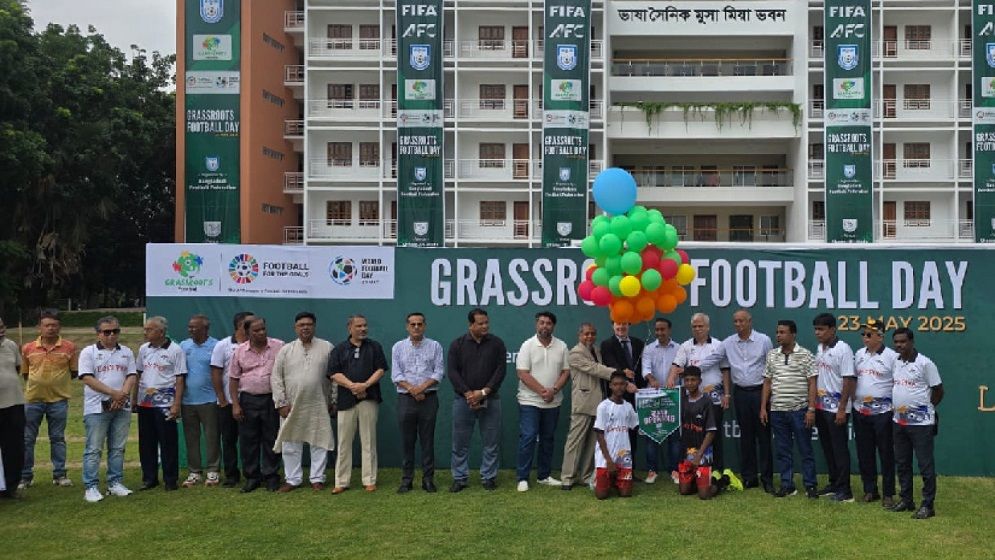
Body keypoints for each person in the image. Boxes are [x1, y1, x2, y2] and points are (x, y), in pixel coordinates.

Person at [696, 310, 774, 492]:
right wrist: (691, 371)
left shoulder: (764, 340)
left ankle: (767, 479)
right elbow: (713, 359)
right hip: (741, 394)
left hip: (760, 393)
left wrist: (770, 395)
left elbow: (772, 367)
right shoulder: (728, 342)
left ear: (750, 321)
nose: (738, 324)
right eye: (735, 321)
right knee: (746, 438)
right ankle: (749, 477)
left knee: (763, 437)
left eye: (742, 321)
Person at [272, 312, 335, 492]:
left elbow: (335, 376)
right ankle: (292, 479)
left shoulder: (327, 347)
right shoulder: (286, 350)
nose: (305, 327)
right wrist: (281, 403)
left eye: (309, 324)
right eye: (301, 325)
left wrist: (333, 400)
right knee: (290, 442)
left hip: (319, 403)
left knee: (319, 440)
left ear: (314, 326)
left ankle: (317, 478)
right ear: (295, 328)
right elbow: (276, 378)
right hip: (291, 405)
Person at [78, 316, 137, 502]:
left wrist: (123, 395)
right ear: (99, 333)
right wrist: (113, 393)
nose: (111, 335)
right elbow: (87, 378)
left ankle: (115, 482)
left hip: (121, 406)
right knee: (94, 448)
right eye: (107, 332)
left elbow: (131, 375)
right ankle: (91, 486)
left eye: (115, 331)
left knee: (118, 447)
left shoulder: (126, 352)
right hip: (97, 407)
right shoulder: (89, 352)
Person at [447, 308, 507, 492]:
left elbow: (500, 371)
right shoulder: (457, 344)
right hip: (463, 401)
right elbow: (453, 372)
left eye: (486, 322)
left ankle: (488, 477)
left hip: (491, 399)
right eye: (480, 323)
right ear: (470, 325)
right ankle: (460, 478)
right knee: (460, 442)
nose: (485, 326)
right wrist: (468, 394)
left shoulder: (497, 344)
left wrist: (483, 392)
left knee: (491, 441)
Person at [20, 309, 78, 489]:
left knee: (58, 438)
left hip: (59, 401)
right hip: (33, 400)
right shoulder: (28, 348)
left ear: (59, 327)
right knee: (28, 439)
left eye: (54, 325)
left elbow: (74, 372)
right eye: (47, 325)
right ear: (40, 327)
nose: (51, 329)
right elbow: (25, 373)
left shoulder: (69, 347)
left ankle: (59, 475)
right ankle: (25, 476)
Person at [329, 314, 387, 494]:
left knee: (369, 440)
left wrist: (365, 385)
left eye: (365, 326)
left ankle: (369, 480)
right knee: (344, 441)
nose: (363, 329)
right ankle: (341, 481)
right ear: (350, 328)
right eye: (359, 326)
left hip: (369, 398)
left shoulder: (374, 347)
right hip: (346, 400)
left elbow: (381, 369)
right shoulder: (339, 349)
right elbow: (333, 373)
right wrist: (352, 386)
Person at [760, 319, 818, 499]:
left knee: (805, 449)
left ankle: (810, 485)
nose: (778, 335)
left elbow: (812, 383)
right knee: (783, 450)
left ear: (793, 334)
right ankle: (787, 485)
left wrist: (811, 409)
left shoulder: (806, 355)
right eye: (777, 332)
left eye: (783, 332)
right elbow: (767, 382)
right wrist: (763, 407)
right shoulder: (772, 355)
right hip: (777, 411)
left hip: (799, 410)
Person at [890, 328, 944, 520]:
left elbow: (938, 390)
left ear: (912, 342)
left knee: (925, 465)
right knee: (902, 463)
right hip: (899, 422)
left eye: (903, 342)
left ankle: (928, 505)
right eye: (896, 342)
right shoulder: (896, 362)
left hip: (921, 425)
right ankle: (906, 500)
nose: (899, 345)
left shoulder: (925, 363)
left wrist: (925, 408)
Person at [666, 313, 730, 471]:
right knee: (691, 436)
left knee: (714, 435)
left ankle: (716, 471)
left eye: (701, 326)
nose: (698, 329)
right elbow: (676, 365)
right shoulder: (686, 346)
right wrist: (671, 378)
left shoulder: (718, 345)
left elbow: (726, 370)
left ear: (708, 327)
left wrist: (727, 394)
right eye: (694, 326)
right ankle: (691, 469)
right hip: (692, 400)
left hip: (714, 398)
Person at [515, 311, 570, 492]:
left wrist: (553, 390)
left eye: (548, 323)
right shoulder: (527, 345)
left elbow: (566, 372)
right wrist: (542, 391)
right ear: (536, 324)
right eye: (541, 322)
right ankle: (523, 478)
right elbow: (522, 373)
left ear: (553, 326)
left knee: (548, 439)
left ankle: (543, 476)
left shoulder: (561, 346)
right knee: (529, 437)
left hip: (553, 401)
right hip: (529, 400)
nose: (544, 326)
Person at [390, 312, 444, 494]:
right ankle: (407, 480)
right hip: (406, 399)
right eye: (412, 324)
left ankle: (428, 480)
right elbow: (396, 375)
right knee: (407, 441)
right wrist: (413, 390)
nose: (416, 327)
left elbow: (438, 373)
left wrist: (421, 389)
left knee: (427, 441)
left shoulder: (435, 346)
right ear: (407, 326)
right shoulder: (398, 347)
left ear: (424, 326)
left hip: (428, 399)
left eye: (419, 324)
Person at [229, 317, 284, 493]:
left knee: (272, 439)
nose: (261, 333)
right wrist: (235, 405)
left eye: (263, 329)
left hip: (272, 399)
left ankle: (271, 476)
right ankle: (252, 477)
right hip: (248, 400)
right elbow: (233, 379)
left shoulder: (279, 346)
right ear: (247, 333)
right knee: (248, 441)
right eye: (256, 330)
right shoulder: (239, 351)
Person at [560, 323, 615, 491]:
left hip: (598, 403)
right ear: (580, 335)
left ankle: (585, 476)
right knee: (575, 442)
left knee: (593, 442)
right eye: (586, 334)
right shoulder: (575, 353)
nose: (589, 336)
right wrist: (617, 373)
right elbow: (595, 369)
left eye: (592, 333)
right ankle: (567, 478)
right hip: (583, 403)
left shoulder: (596, 350)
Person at [135, 316, 187, 491]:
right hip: (145, 402)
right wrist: (135, 399)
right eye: (145, 329)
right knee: (146, 442)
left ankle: (170, 479)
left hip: (166, 402)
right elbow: (139, 373)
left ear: (161, 332)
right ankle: (149, 478)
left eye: (149, 329)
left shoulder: (175, 350)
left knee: (168, 442)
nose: (145, 332)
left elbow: (180, 379)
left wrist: (176, 404)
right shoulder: (143, 349)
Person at [853, 318, 899, 507]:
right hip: (860, 411)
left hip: (883, 413)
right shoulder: (859, 354)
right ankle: (870, 490)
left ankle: (888, 493)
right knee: (865, 452)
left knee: (886, 453)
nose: (865, 338)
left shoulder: (892, 356)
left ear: (880, 336)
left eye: (869, 334)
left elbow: (898, 383)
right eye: (863, 334)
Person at [812, 312, 856, 502]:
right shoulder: (820, 348)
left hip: (837, 408)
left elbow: (848, 379)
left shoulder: (843, 349)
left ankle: (845, 491)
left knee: (839, 449)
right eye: (816, 329)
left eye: (821, 329)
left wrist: (841, 408)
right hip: (822, 407)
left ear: (832, 329)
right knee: (828, 448)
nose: (817, 333)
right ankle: (834, 483)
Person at [209, 310, 254, 487]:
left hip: (250, 401)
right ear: (241, 326)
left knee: (250, 440)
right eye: (250, 323)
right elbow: (216, 372)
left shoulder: (256, 344)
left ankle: (252, 474)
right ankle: (231, 475)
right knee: (228, 440)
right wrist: (221, 398)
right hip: (227, 402)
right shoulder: (223, 345)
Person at [179, 314, 220, 488]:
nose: (191, 330)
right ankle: (194, 472)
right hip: (188, 401)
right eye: (189, 327)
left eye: (194, 327)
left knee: (211, 437)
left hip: (209, 400)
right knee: (191, 438)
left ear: (205, 329)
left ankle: (213, 471)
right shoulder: (183, 346)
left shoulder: (216, 346)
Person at [641, 317, 681, 485]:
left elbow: (680, 368)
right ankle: (652, 470)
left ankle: (675, 470)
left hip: (673, 398)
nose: (659, 333)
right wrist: (651, 379)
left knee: (674, 436)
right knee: (652, 435)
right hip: (653, 398)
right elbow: (646, 370)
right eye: (657, 330)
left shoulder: (679, 348)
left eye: (662, 329)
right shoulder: (649, 349)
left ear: (669, 330)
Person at [600, 322, 643, 457]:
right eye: (618, 324)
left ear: (629, 325)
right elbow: (611, 365)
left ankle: (630, 469)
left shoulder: (639, 343)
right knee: (616, 433)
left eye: (624, 324)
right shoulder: (607, 344)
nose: (621, 327)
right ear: (613, 326)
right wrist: (625, 381)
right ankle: (615, 467)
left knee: (632, 433)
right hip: (618, 396)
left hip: (637, 395)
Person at [593, 371, 639, 500]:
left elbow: (636, 426)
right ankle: (598, 478)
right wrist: (608, 460)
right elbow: (599, 434)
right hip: (606, 458)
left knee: (626, 494)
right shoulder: (603, 406)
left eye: (622, 384)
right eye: (615, 384)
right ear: (610, 386)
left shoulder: (628, 407)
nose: (619, 387)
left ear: (626, 386)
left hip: (623, 456)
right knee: (601, 495)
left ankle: (616, 480)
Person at [677, 366, 719, 500]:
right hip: (687, 452)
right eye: (687, 380)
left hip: (703, 453)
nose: (689, 383)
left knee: (704, 495)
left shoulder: (706, 402)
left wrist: (699, 455)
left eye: (693, 380)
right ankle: (698, 481)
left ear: (700, 381)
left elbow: (711, 432)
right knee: (684, 491)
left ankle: (720, 482)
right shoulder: (682, 401)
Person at [0, 317, 25, 498]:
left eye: (2, 326)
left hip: (14, 403)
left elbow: (17, 368)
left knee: (14, 447)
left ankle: (11, 486)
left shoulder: (10, 345)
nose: (1, 330)